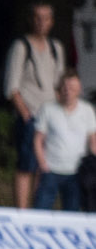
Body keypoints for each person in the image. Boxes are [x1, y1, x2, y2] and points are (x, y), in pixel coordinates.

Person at [7, 1, 67, 208]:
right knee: (26, 166)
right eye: (37, 17)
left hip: (51, 117)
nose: (41, 22)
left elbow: (60, 84)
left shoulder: (56, 48)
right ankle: (22, 211)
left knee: (44, 165)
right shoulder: (21, 46)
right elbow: (12, 87)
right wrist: (25, 114)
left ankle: (37, 210)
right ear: (31, 20)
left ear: (52, 21)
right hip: (31, 114)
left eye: (46, 18)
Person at [34, 70, 96, 210]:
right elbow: (38, 139)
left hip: (76, 172)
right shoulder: (47, 108)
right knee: (39, 212)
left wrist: (93, 166)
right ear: (59, 89)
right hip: (50, 170)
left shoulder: (87, 111)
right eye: (65, 87)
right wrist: (42, 164)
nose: (68, 91)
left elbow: (93, 141)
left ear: (79, 90)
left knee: (71, 215)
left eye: (72, 88)